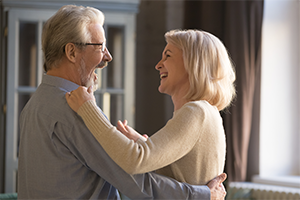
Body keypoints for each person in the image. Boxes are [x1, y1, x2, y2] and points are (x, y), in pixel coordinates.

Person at [18, 5, 227, 200]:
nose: (108, 57)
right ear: (72, 52)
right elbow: (138, 185)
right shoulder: (76, 111)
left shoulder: (33, 105)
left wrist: (144, 145)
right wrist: (203, 194)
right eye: (100, 47)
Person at [66, 29, 236, 185]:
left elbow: (135, 161)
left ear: (193, 63)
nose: (158, 65)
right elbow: (180, 174)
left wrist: (88, 108)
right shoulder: (206, 112)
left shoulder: (196, 112)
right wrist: (141, 143)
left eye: (168, 56)